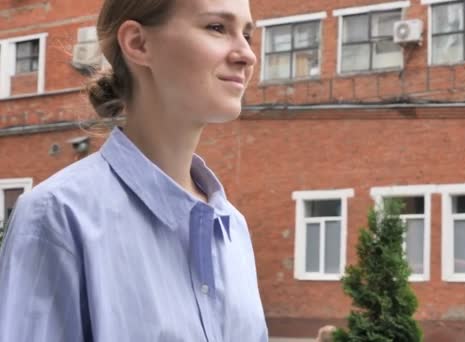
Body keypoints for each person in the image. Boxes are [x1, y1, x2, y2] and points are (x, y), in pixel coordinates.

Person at [0, 0, 267, 341]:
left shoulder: (232, 228)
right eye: (217, 28)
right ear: (139, 43)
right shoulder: (58, 216)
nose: (247, 54)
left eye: (247, 34)